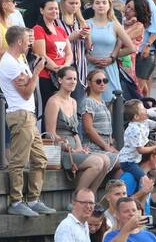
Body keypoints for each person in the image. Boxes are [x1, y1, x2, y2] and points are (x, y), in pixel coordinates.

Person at [0, 26, 55, 217]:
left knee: (40, 159)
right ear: (20, 42)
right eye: (27, 40)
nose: (30, 43)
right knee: (19, 160)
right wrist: (37, 72)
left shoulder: (19, 59)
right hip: (20, 114)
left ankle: (33, 199)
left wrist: (31, 76)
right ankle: (16, 201)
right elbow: (26, 92)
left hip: (28, 115)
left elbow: (27, 86)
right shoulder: (10, 63)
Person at [44, 66, 113, 194]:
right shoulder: (53, 102)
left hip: (75, 149)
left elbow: (75, 131)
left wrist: (80, 148)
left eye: (75, 79)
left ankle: (90, 197)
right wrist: (67, 147)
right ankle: (78, 197)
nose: (73, 82)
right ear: (60, 80)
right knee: (97, 162)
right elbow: (50, 134)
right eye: (69, 78)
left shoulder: (74, 102)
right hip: (62, 151)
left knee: (106, 160)